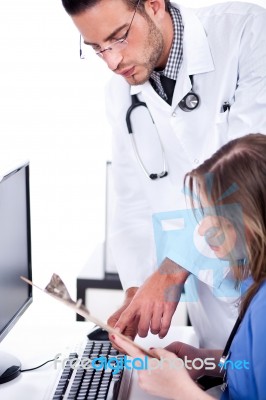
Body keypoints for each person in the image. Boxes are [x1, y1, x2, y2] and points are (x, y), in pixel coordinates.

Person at [61, 0, 266, 348]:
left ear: (154, 4)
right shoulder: (120, 95)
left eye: (119, 37)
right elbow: (132, 205)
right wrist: (137, 290)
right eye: (97, 49)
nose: (112, 62)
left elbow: (249, 172)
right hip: (215, 313)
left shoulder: (250, 32)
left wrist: (171, 271)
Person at [112, 132, 266, 399]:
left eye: (220, 219)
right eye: (205, 214)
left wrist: (179, 389)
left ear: (256, 222)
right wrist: (204, 360)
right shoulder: (253, 282)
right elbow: (255, 368)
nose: (204, 230)